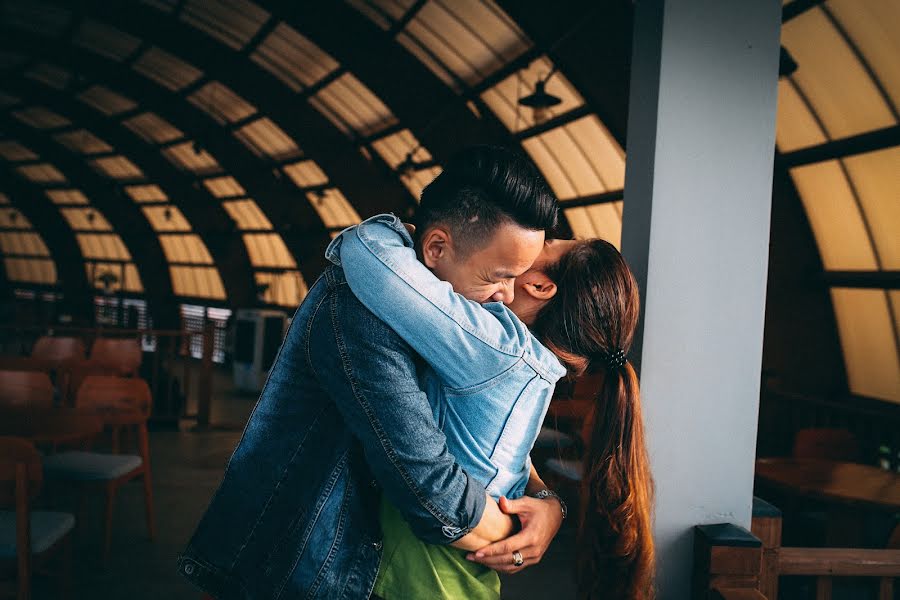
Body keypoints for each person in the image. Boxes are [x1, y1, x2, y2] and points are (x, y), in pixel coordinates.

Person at [177, 146, 566, 599]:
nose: (506, 297)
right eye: (498, 276)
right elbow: (433, 493)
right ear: (436, 247)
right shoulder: (360, 310)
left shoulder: (442, 316)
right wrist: (519, 532)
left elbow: (487, 447)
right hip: (296, 573)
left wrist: (547, 503)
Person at [328, 209, 655, 599]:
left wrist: (401, 230)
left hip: (416, 583)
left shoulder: (497, 349)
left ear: (538, 285)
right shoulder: (537, 372)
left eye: (545, 245)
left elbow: (372, 260)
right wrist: (549, 501)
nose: (532, 245)